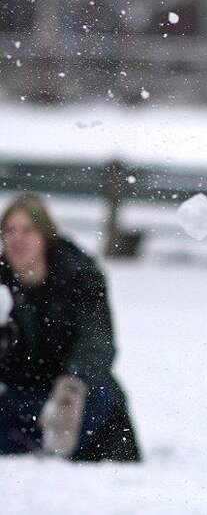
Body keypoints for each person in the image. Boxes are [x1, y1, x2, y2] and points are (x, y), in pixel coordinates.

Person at [0, 194, 141, 462]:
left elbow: (97, 341)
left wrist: (72, 387)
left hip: (72, 391)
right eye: (10, 231)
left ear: (44, 236)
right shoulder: (2, 280)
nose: (17, 239)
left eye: (27, 230)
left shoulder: (79, 275)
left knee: (102, 395)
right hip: (18, 393)